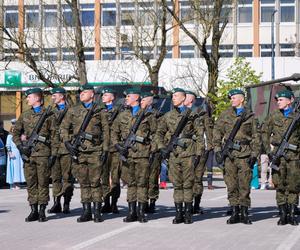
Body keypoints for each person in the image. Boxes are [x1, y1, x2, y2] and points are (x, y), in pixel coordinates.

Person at [155, 88, 205, 224]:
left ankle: (188, 213)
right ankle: (179, 213)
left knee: (188, 184)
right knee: (177, 184)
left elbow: (200, 135)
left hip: (188, 153)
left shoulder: (192, 115)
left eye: (176, 96)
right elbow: (159, 133)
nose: (173, 98)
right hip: (173, 153)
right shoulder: (168, 116)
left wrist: (199, 153)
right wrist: (162, 148)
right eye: (173, 96)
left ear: (183, 98)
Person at [61, 84, 109, 223]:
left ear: (92, 94)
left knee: (95, 182)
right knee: (84, 182)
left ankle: (97, 211)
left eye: (84, 92)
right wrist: (67, 143)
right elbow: (64, 128)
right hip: (79, 151)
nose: (81, 94)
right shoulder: (73, 110)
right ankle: (86, 211)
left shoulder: (100, 110)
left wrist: (105, 149)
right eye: (80, 92)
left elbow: (106, 131)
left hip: (95, 150)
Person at [213, 88, 260, 225]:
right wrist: (217, 149)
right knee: (231, 184)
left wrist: (254, 154)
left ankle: (244, 213)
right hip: (229, 155)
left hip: (244, 153)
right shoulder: (225, 114)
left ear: (241, 99)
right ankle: (234, 211)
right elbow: (217, 132)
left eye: (234, 98)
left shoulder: (250, 116)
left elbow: (256, 137)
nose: (231, 100)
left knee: (244, 184)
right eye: (231, 98)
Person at [111, 88, 153, 223]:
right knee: (131, 184)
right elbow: (113, 132)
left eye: (128, 96)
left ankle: (141, 212)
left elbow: (157, 134)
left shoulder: (147, 115)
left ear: (137, 98)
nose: (126, 99)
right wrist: (118, 146)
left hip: (142, 155)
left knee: (142, 183)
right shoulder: (122, 115)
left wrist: (150, 148)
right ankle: (131, 212)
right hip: (127, 154)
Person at [13, 88, 53, 222]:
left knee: (43, 182)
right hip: (28, 155)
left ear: (37, 98)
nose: (27, 99)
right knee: (31, 183)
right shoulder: (24, 115)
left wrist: (53, 153)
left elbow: (55, 135)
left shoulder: (49, 115)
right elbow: (16, 133)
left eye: (29, 97)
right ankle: (33, 210)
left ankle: (42, 210)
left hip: (43, 154)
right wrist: (20, 147)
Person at [262, 89, 300, 225]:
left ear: (290, 101)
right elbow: (264, 133)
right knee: (279, 184)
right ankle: (283, 213)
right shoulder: (273, 116)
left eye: (281, 100)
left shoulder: (297, 116)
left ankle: (291, 213)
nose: (278, 102)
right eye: (277, 100)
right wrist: (268, 151)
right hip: (278, 156)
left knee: (294, 185)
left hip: (294, 157)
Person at [184, 90, 214, 214]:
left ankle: (196, 205)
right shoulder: (180, 112)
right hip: (185, 151)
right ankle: (186, 205)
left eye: (185, 97)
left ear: (190, 99)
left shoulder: (201, 113)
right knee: (185, 178)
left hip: (199, 150)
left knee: (196, 178)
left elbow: (208, 130)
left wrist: (209, 147)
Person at [48, 87, 74, 214]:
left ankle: (66, 203)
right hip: (53, 149)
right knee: (55, 177)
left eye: (55, 96)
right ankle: (56, 203)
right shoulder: (50, 111)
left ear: (62, 96)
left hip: (66, 149)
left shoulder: (72, 111)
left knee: (67, 177)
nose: (52, 98)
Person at [100, 87, 123, 214]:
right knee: (104, 177)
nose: (103, 97)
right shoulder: (100, 112)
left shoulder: (119, 111)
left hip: (115, 149)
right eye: (103, 95)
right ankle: (106, 202)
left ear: (112, 97)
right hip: (103, 148)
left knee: (115, 177)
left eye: (106, 95)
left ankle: (114, 203)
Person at [140, 92, 161, 213]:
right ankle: (142, 201)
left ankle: (152, 201)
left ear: (150, 101)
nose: (141, 101)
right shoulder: (138, 113)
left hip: (153, 150)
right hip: (141, 151)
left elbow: (158, 133)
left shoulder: (157, 115)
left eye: (144, 100)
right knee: (142, 177)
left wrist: (156, 147)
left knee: (152, 177)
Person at [6, 119, 25, 189]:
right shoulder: (10, 136)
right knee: (14, 168)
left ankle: (18, 182)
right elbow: (8, 145)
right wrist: (10, 153)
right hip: (13, 153)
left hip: (19, 153)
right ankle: (15, 183)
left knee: (20, 168)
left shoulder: (19, 136)